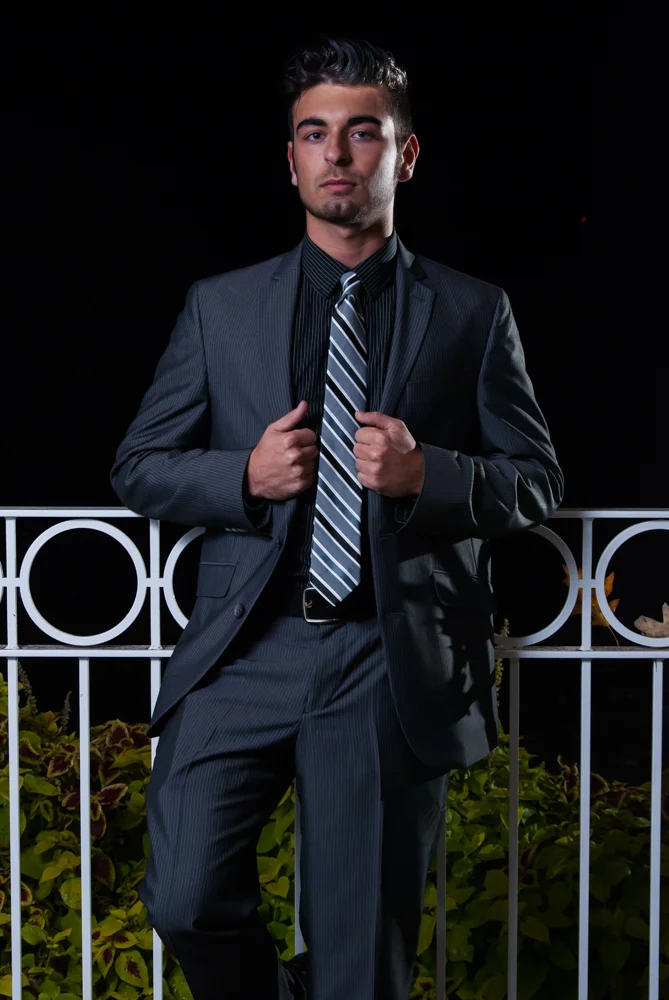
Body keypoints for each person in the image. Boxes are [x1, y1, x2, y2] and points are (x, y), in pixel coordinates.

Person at [110, 35, 564, 1000]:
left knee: (360, 961)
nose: (336, 154)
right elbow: (139, 466)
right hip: (245, 650)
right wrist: (243, 476)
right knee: (185, 895)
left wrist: (425, 474)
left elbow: (534, 479)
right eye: (314, 134)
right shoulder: (220, 308)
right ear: (290, 160)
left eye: (362, 133)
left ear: (402, 155)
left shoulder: (474, 311)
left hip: (382, 662)